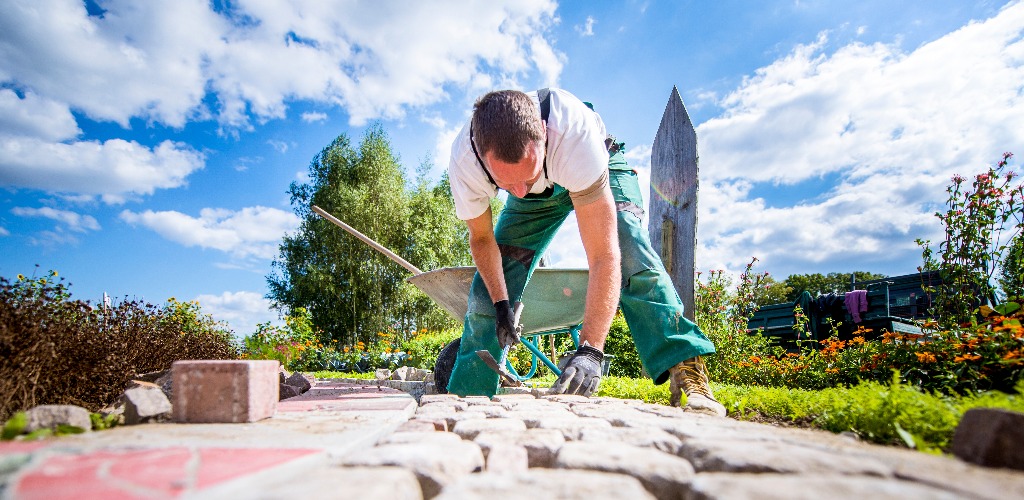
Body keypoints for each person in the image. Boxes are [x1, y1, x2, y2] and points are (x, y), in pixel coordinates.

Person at [442, 88, 725, 416]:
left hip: (596, 170)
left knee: (631, 249)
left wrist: (591, 350)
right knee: (489, 290)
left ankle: (689, 375)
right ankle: (466, 400)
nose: (518, 191)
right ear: (483, 156)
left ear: (545, 136)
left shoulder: (574, 135)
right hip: (532, 200)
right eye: (506, 184)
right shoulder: (466, 161)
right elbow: (482, 240)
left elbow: (604, 254)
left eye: (527, 175)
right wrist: (501, 304)